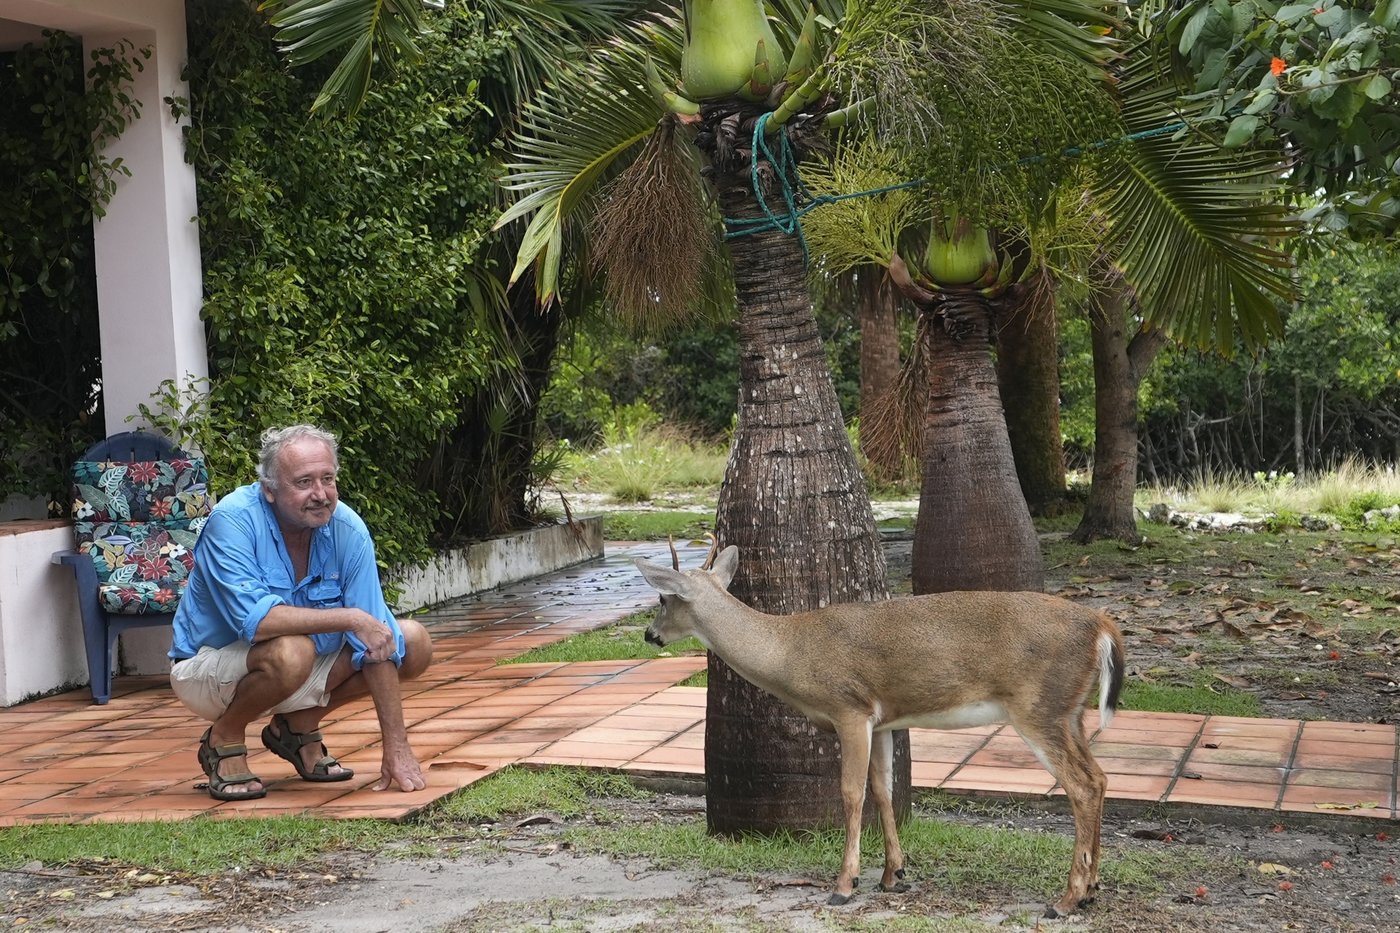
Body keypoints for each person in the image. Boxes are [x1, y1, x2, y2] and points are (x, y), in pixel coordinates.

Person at [169, 424, 432, 800]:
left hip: (299, 669)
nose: (321, 494)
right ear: (270, 490)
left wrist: (396, 748)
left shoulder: (347, 529)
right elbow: (259, 623)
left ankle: (297, 727)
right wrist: (351, 618)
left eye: (328, 479)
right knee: (293, 649)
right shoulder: (233, 521)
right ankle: (224, 734)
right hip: (208, 670)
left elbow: (376, 642)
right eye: (304, 482)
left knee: (411, 640)